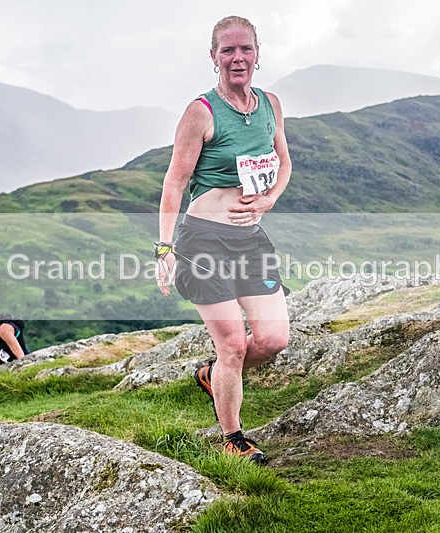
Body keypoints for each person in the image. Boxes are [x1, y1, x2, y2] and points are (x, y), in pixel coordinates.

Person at [156, 16, 291, 463]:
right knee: (232, 344)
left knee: (273, 341)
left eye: (245, 49)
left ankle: (214, 376)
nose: (237, 58)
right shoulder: (201, 112)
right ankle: (233, 439)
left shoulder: (270, 104)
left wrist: (268, 200)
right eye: (227, 50)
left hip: (250, 239)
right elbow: (174, 183)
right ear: (213, 57)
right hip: (204, 241)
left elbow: (284, 163)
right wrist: (164, 248)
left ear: (257, 53)